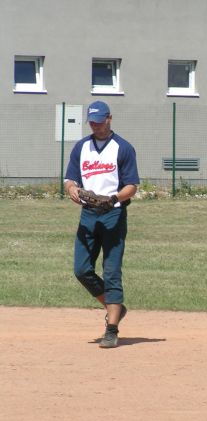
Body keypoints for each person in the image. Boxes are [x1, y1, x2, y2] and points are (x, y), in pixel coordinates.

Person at [64, 100, 140, 348]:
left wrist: (114, 198)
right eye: (92, 122)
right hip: (88, 214)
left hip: (113, 215)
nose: (96, 126)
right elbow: (70, 179)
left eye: (99, 121)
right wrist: (72, 189)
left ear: (109, 118)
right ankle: (114, 306)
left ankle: (112, 328)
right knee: (81, 269)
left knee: (111, 271)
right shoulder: (81, 147)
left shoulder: (123, 148)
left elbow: (132, 187)